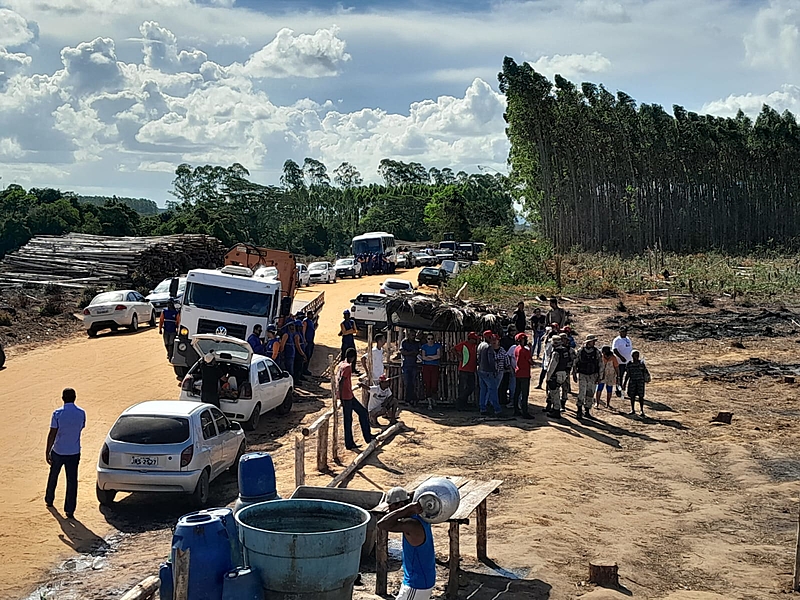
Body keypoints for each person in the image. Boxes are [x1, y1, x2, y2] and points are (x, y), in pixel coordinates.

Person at [377, 487, 436, 600]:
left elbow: (382, 524)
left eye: (391, 506)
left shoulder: (411, 524)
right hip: (423, 579)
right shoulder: (420, 517)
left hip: (416, 584)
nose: (389, 509)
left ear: (401, 505)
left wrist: (405, 509)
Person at [45, 388, 86, 519]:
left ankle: (49, 499)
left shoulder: (57, 413)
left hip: (59, 450)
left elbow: (52, 433)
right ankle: (69, 509)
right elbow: (81, 427)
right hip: (74, 451)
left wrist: (47, 451)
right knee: (72, 480)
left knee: (54, 475)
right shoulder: (81, 413)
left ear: (63, 398)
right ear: (75, 397)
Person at [336, 348, 373, 449]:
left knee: (361, 413)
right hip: (347, 397)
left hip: (349, 395)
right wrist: (341, 398)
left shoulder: (341, 364)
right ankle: (350, 443)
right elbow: (341, 381)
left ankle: (367, 437)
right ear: (353, 358)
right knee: (349, 420)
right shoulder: (347, 367)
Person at [572, 334, 602, 419]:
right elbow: (575, 363)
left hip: (593, 375)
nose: (594, 343)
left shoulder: (596, 352)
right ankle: (579, 410)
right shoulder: (581, 351)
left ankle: (587, 410)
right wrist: (574, 373)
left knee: (590, 393)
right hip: (583, 374)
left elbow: (600, 364)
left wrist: (600, 376)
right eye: (593, 341)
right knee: (582, 393)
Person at [450, 332, 479, 410]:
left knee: (471, 387)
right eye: (474, 339)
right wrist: (459, 356)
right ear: (470, 339)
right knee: (462, 387)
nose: (475, 340)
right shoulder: (463, 344)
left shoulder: (475, 346)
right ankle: (460, 404)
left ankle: (462, 402)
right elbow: (453, 349)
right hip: (464, 369)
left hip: (472, 369)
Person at [477, 331, 502, 416]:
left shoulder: (480, 345)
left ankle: (482, 408)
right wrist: (494, 370)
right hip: (488, 371)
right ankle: (497, 409)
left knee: (483, 390)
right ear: (488, 337)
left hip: (481, 370)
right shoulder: (488, 347)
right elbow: (491, 361)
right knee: (493, 390)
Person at [545, 336, 570, 418]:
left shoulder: (556, 353)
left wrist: (548, 378)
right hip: (563, 373)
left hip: (556, 374)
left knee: (555, 393)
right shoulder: (565, 351)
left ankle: (556, 410)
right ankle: (555, 408)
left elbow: (552, 366)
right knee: (557, 391)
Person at [512, 332, 534, 418]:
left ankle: (516, 410)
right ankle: (525, 412)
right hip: (525, 374)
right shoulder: (525, 351)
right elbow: (530, 361)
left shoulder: (516, 349)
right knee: (525, 394)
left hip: (518, 373)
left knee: (517, 392)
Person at [623, 350, 651, 418]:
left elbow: (645, 372)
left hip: (640, 382)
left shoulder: (641, 364)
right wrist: (624, 383)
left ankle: (641, 410)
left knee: (641, 396)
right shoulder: (629, 364)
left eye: (638, 355)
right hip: (632, 381)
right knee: (632, 396)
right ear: (632, 356)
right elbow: (627, 374)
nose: (637, 357)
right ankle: (632, 409)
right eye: (635, 355)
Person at [420, 333, 443, 406]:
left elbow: (438, 356)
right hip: (426, 366)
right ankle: (429, 400)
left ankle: (433, 398)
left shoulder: (437, 346)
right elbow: (423, 357)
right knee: (427, 383)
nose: (430, 340)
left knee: (434, 383)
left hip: (435, 366)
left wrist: (428, 357)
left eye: (431, 338)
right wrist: (433, 357)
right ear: (426, 339)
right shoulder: (424, 346)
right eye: (428, 339)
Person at [400, 333, 422, 406]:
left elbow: (417, 352)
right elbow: (403, 352)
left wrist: (409, 353)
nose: (413, 336)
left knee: (413, 383)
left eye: (414, 335)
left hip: (414, 365)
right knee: (407, 383)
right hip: (406, 365)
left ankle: (413, 399)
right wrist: (411, 353)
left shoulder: (417, 343)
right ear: (409, 335)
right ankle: (407, 399)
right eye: (412, 335)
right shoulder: (404, 342)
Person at [612, 326, 633, 397]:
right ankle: (618, 390)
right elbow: (615, 350)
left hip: (628, 361)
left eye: (625, 331)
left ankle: (627, 388)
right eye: (623, 331)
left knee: (629, 375)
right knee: (619, 376)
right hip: (620, 362)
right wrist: (621, 357)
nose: (624, 333)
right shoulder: (617, 340)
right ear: (620, 332)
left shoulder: (628, 339)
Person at [498, 326, 516, 406]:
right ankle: (503, 399)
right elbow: (504, 353)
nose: (513, 332)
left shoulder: (515, 340)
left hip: (512, 364)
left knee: (511, 383)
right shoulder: (505, 340)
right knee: (504, 383)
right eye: (512, 330)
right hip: (505, 364)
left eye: (514, 330)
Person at [292, 320, 309, 384]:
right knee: (297, 367)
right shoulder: (297, 335)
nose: (301, 328)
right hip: (298, 354)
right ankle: (296, 380)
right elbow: (297, 345)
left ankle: (299, 377)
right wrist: (302, 354)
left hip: (300, 353)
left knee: (300, 367)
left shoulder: (299, 334)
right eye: (300, 327)